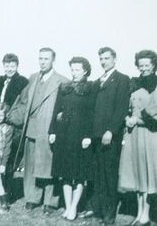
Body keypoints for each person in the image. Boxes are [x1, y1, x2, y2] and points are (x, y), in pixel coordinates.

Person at [8, 47, 68, 215]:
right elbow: (23, 100)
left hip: (49, 131)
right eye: (40, 58)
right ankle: (32, 198)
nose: (42, 62)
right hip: (31, 129)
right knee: (30, 166)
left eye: (46, 59)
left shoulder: (62, 81)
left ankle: (50, 201)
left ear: (53, 60)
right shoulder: (33, 78)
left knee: (48, 167)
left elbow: (65, 109)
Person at [118, 50, 157, 226]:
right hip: (133, 134)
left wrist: (137, 119)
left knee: (147, 171)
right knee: (137, 172)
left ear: (154, 65)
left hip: (149, 133)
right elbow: (126, 105)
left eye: (147, 64)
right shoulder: (134, 83)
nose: (144, 68)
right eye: (141, 65)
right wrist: (126, 117)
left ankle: (146, 214)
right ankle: (139, 212)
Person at [48, 57, 96, 221]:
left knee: (79, 174)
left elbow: (93, 114)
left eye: (77, 69)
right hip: (64, 135)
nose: (74, 73)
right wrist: (53, 131)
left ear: (85, 71)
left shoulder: (91, 88)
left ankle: (74, 207)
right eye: (72, 69)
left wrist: (88, 136)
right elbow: (57, 110)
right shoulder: (65, 87)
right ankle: (68, 206)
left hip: (81, 136)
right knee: (66, 173)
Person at [87, 47, 130, 225]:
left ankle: (109, 214)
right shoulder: (98, 81)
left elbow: (121, 108)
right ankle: (98, 210)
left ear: (114, 59)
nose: (103, 61)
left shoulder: (122, 79)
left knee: (109, 175)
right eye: (101, 59)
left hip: (110, 136)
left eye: (106, 58)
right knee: (97, 174)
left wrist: (110, 131)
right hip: (96, 136)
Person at [0, 53, 28, 200]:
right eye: (7, 66)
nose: (9, 69)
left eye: (12, 66)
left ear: (17, 66)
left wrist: (9, 117)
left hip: (12, 127)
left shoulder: (22, 82)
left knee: (8, 159)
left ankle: (6, 192)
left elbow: (23, 105)